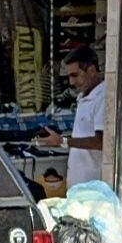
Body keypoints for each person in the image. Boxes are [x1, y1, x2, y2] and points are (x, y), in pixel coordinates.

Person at [36, 44, 109, 189]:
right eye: (69, 76)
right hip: (79, 186)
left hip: (93, 187)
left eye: (75, 75)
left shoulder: (103, 97)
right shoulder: (83, 96)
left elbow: (101, 142)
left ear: (92, 71)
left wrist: (63, 141)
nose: (71, 82)